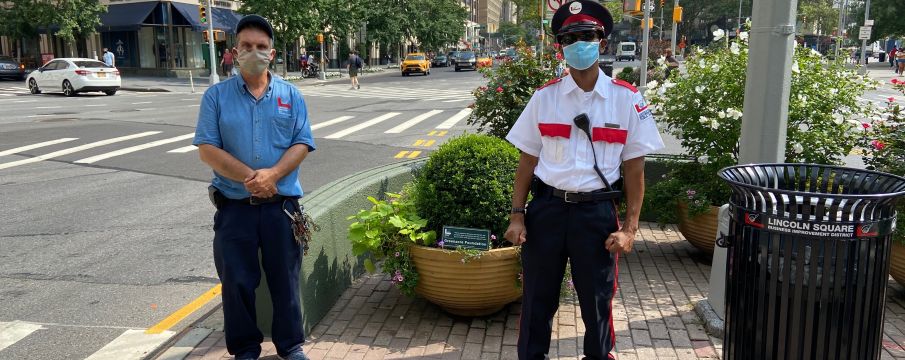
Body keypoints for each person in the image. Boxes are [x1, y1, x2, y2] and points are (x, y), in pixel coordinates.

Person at [503, 1, 664, 359]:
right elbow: (527, 162)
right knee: (536, 303)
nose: (579, 44)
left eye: (587, 36)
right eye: (570, 38)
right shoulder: (544, 98)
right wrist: (517, 216)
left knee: (597, 303)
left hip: (596, 217)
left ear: (602, 42)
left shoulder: (626, 99)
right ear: (560, 46)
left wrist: (630, 230)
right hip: (546, 212)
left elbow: (635, 171)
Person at [192, 14, 314, 360]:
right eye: (247, 46)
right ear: (234, 51)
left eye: (261, 47)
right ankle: (245, 349)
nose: (254, 52)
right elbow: (207, 149)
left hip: (282, 208)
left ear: (272, 53)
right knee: (237, 284)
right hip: (234, 208)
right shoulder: (216, 97)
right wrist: (254, 177)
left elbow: (302, 143)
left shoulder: (291, 96)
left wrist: (272, 175)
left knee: (285, 282)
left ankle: (290, 345)